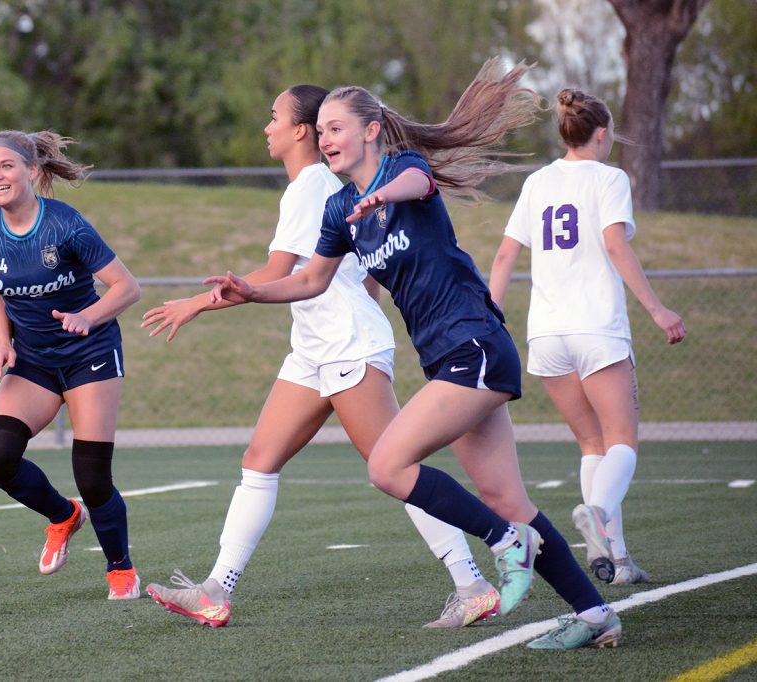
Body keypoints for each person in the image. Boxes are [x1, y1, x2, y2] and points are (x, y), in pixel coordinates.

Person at [207, 59, 623, 650]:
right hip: (448, 358)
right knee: (507, 499)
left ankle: (507, 544)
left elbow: (417, 186)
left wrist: (379, 195)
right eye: (320, 129)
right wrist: (253, 292)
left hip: (475, 344)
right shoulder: (338, 210)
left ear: (371, 130)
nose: (326, 139)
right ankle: (594, 612)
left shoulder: (402, 169)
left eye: (336, 127)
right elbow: (311, 281)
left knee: (386, 465)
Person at [140, 86, 500, 629]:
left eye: (274, 117)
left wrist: (197, 302)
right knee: (258, 461)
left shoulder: (310, 187)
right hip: (314, 347)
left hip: (344, 345)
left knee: (395, 468)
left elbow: (281, 273)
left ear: (300, 131)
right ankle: (216, 590)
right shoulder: (319, 190)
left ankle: (471, 583)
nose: (267, 128)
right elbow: (347, 270)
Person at [489, 88, 686, 586]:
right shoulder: (610, 178)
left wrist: (492, 311)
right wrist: (658, 309)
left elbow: (504, 256)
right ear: (601, 134)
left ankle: (617, 561)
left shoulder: (537, 182)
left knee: (592, 446)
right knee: (623, 443)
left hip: (548, 335)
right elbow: (615, 245)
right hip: (596, 328)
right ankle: (596, 515)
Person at [0, 129, 142, 600]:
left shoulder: (65, 224)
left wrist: (87, 317)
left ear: (32, 171)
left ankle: (120, 569)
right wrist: (2, 344)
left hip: (90, 355)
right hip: (35, 362)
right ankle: (63, 516)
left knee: (92, 476)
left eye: (6, 165)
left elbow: (127, 288)